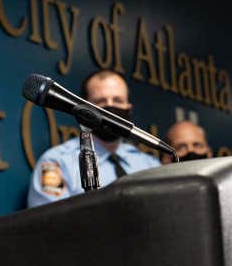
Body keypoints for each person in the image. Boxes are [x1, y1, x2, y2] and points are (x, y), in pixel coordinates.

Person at [27, 69, 160, 208]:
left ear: (129, 108)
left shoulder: (150, 165)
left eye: (118, 100)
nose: (110, 106)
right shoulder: (58, 162)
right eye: (100, 101)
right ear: (84, 108)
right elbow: (48, 223)